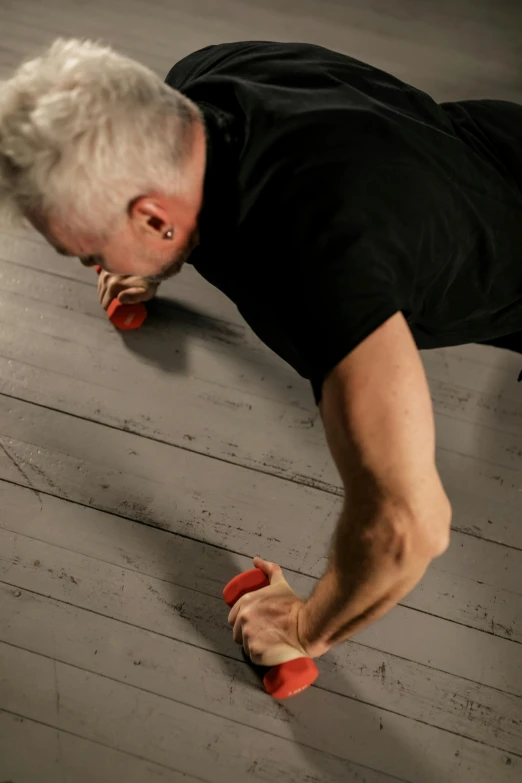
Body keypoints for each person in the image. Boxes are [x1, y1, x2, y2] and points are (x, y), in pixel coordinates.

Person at [1, 38, 521, 668]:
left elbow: (406, 525)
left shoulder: (321, 265)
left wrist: (304, 629)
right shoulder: (207, 81)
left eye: (89, 252)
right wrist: (151, 258)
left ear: (152, 218)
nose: (95, 265)